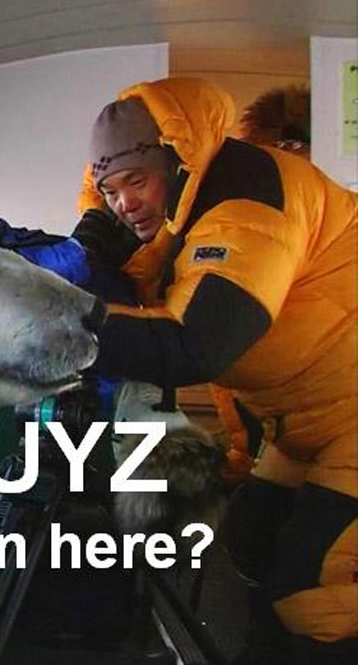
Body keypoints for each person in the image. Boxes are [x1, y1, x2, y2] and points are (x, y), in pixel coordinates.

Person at [71, 77, 357, 663]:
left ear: (176, 163)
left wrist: (60, 323)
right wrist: (96, 249)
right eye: (110, 192)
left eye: (137, 182)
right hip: (307, 423)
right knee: (251, 542)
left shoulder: (250, 199)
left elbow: (196, 344)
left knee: (316, 586)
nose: (124, 203)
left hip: (350, 418)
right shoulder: (184, 218)